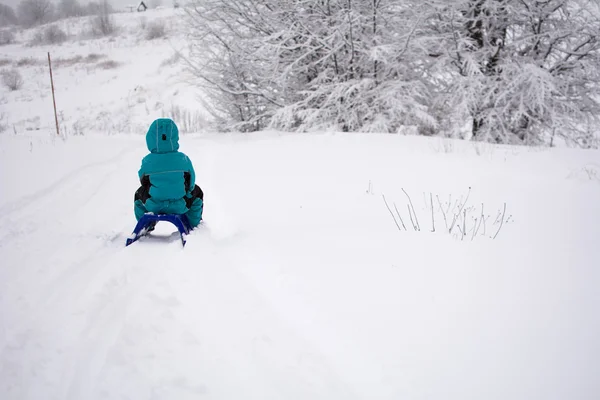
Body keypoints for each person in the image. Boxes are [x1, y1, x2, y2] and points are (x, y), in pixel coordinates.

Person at [134, 118, 203, 229]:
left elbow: (143, 181)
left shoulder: (147, 161)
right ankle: (193, 224)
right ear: (175, 138)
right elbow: (191, 182)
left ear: (150, 138)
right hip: (180, 205)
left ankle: (146, 225)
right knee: (197, 192)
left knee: (138, 194)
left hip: (153, 204)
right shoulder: (183, 159)